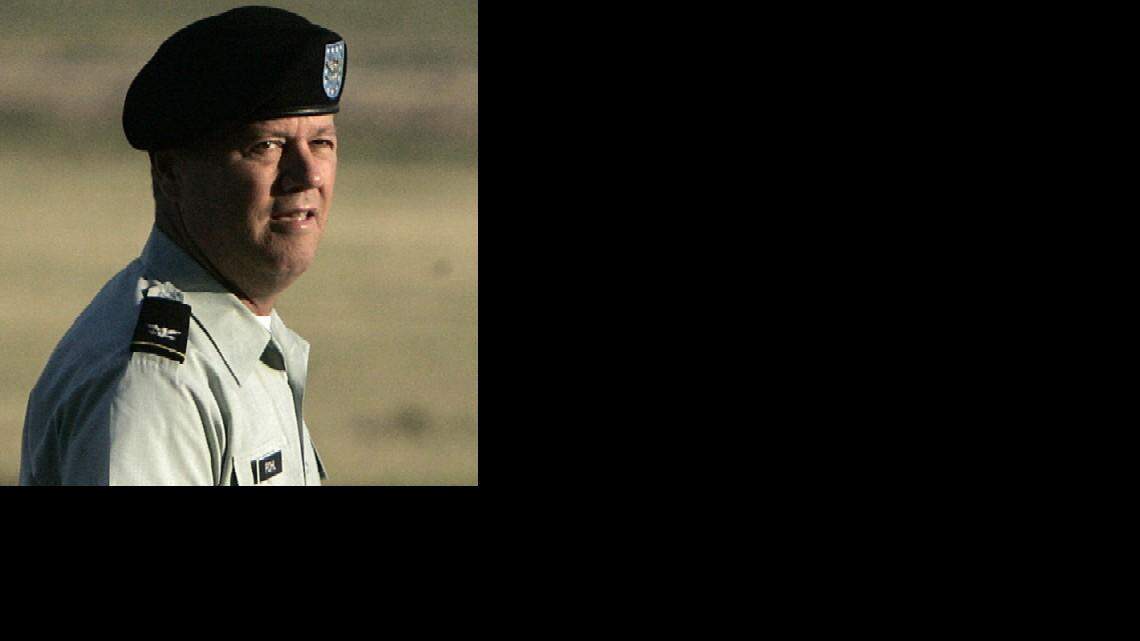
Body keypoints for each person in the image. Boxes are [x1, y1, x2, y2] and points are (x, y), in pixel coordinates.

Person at [18, 6, 348, 485]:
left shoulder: (238, 342)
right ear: (172, 172)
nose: (308, 175)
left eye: (321, 143)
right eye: (267, 146)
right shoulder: (159, 384)